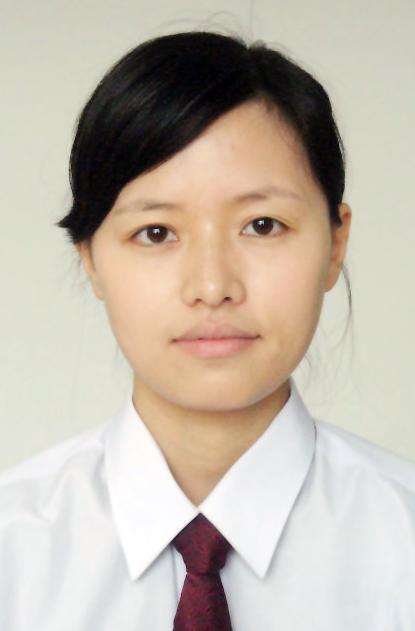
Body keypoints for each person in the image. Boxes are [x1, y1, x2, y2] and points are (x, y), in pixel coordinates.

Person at [1, 30, 414, 631]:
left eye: (263, 225)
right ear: (89, 258)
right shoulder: (12, 551)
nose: (213, 285)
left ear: (335, 242)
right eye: (157, 233)